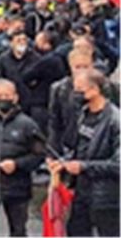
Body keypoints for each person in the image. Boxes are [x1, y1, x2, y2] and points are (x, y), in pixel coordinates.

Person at [51, 69, 120, 237]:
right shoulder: (83, 113)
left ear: (95, 89)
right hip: (82, 191)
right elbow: (78, 148)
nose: (75, 94)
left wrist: (83, 167)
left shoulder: (115, 120)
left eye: (79, 90)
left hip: (107, 196)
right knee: (75, 231)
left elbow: (118, 165)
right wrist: (63, 162)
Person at [0, 79, 43, 236]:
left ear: (16, 97)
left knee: (18, 231)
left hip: (17, 189)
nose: (3, 99)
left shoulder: (28, 124)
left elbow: (39, 155)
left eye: (7, 95)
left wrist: (17, 164)